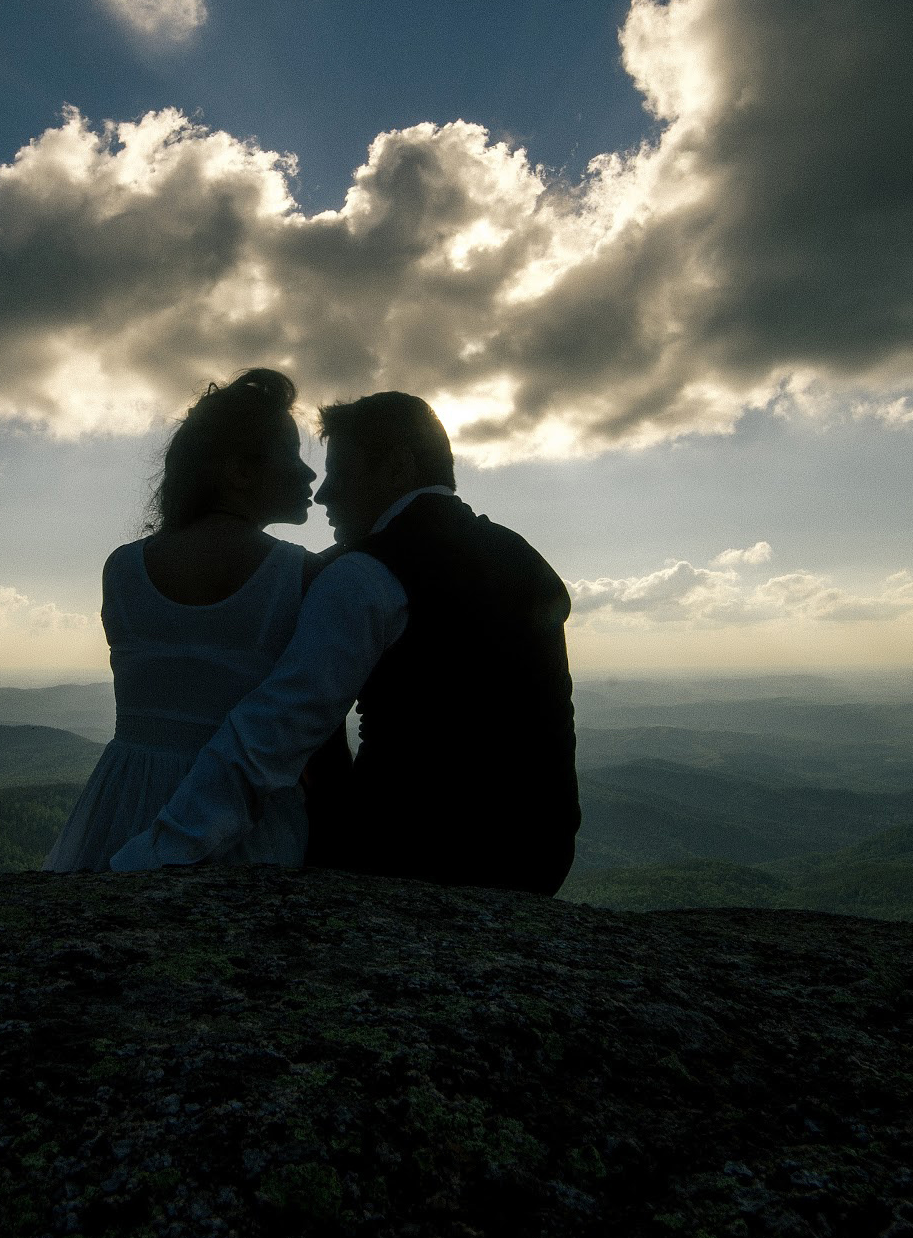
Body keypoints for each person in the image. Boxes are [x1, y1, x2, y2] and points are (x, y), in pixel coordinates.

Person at [112, 391, 579, 894]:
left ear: (398, 467)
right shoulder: (522, 558)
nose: (325, 493)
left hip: (410, 857)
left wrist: (156, 855)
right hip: (540, 854)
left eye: (340, 471)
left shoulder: (366, 573)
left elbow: (277, 728)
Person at [42, 369, 324, 871]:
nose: (310, 476)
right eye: (295, 457)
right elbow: (313, 723)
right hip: (240, 811)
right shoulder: (299, 574)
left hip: (122, 799)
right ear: (239, 472)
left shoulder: (123, 568)